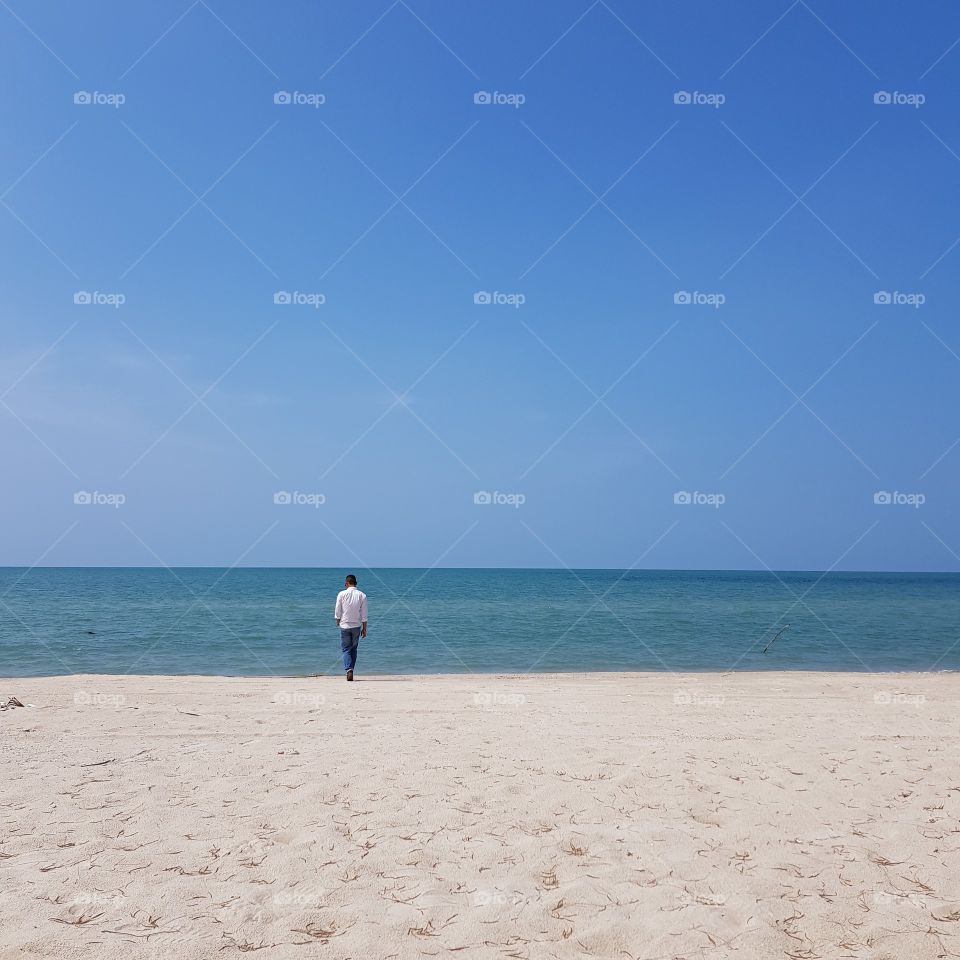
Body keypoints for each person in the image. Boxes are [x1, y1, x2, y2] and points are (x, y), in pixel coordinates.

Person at [334, 574, 367, 681]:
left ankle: (349, 670)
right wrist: (364, 628)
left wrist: (338, 620)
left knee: (346, 649)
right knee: (354, 649)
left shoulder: (341, 594)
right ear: (355, 583)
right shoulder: (362, 595)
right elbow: (364, 614)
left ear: (346, 583)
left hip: (344, 625)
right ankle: (351, 669)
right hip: (356, 626)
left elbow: (338, 609)